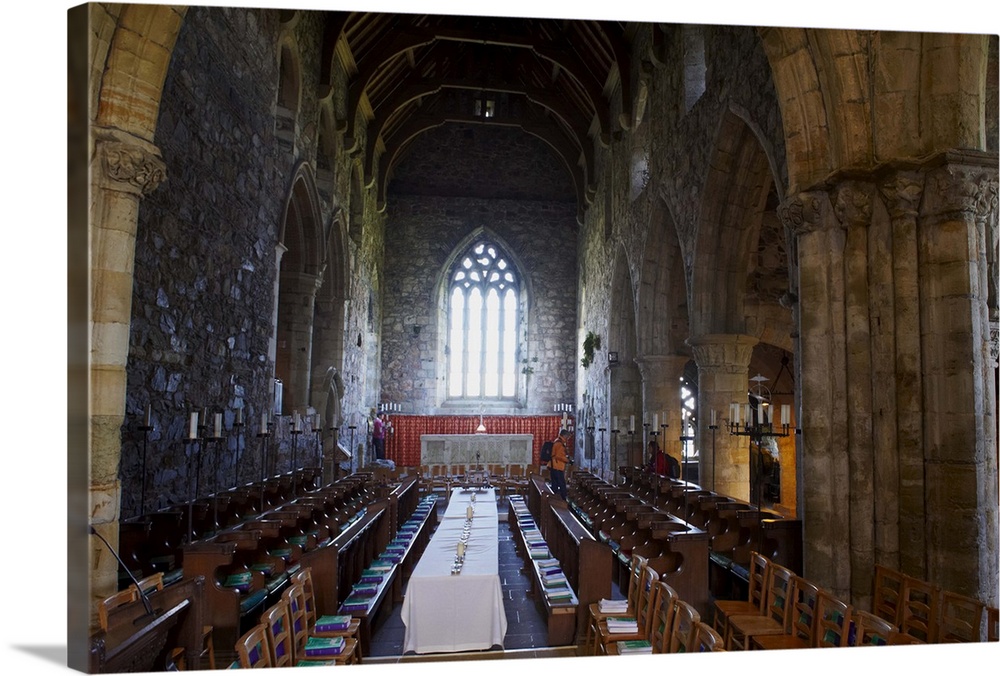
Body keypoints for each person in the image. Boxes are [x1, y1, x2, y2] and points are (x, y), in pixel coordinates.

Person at [549, 429, 573, 500]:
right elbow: (559, 456)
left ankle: (553, 500)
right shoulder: (559, 444)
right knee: (562, 484)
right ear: (564, 435)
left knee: (555, 485)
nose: (568, 439)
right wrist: (568, 460)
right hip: (557, 467)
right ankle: (564, 501)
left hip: (554, 466)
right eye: (567, 437)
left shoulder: (558, 441)